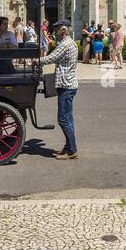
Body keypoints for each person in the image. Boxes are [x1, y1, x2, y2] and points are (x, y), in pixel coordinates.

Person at [37, 23, 79, 159]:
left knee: (63, 119)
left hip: (66, 85)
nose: (54, 31)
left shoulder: (65, 44)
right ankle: (68, 147)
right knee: (68, 118)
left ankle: (72, 150)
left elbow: (51, 58)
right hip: (68, 84)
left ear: (64, 30)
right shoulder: (68, 42)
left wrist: (36, 61)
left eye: (57, 29)